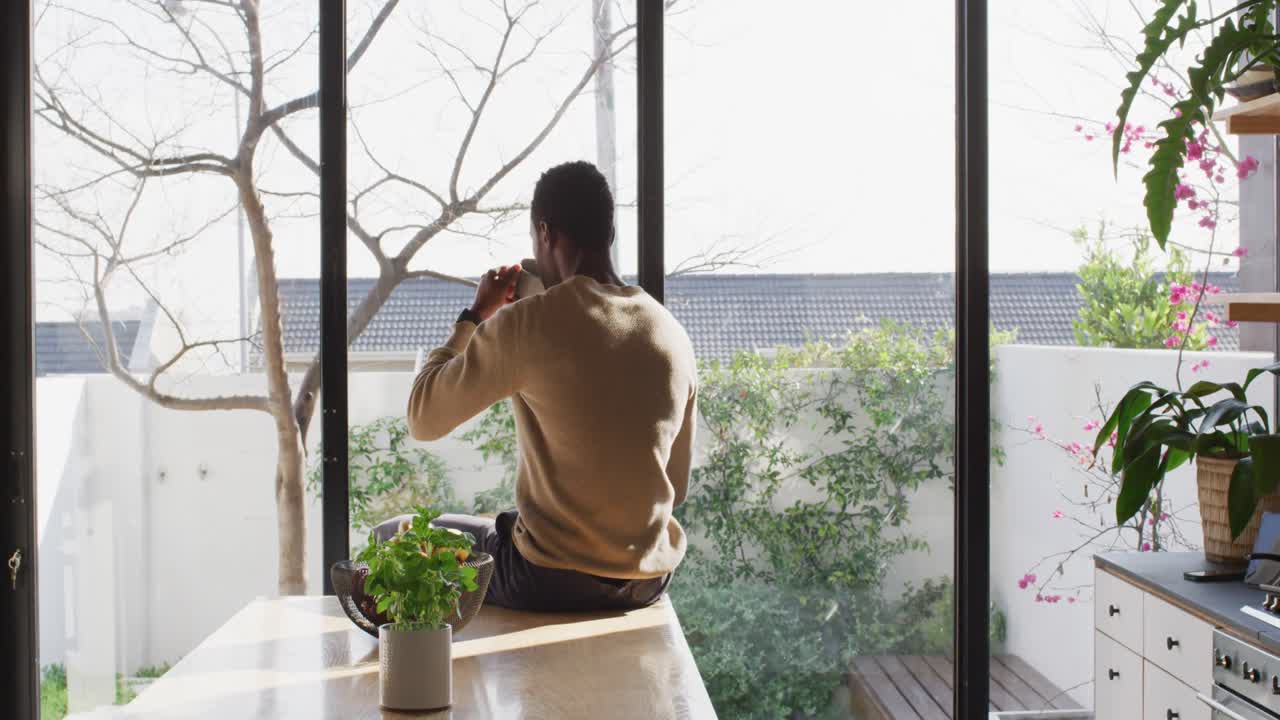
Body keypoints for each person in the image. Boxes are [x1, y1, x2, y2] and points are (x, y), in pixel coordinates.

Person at [375, 160, 697, 612]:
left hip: (546, 577)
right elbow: (675, 487)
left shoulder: (527, 324)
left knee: (395, 535)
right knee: (499, 526)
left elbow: (423, 418)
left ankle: (408, 658)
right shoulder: (672, 334)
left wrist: (474, 317)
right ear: (608, 233)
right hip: (647, 579)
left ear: (545, 233)